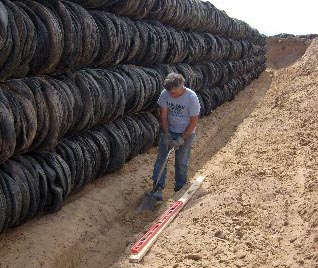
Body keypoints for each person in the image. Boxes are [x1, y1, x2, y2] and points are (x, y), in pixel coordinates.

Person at [152, 73, 201, 201]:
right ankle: (157, 188)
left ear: (181, 86)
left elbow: (194, 121)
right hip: (169, 130)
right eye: (170, 93)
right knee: (161, 159)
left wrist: (181, 139)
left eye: (174, 93)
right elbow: (163, 116)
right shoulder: (165, 94)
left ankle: (180, 189)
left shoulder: (191, 97)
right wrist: (167, 133)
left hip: (186, 132)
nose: (171, 96)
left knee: (181, 162)